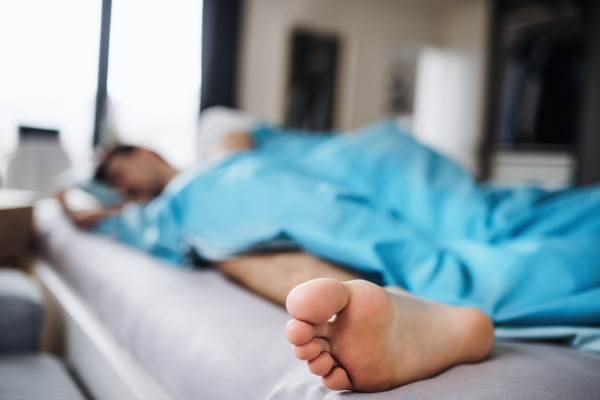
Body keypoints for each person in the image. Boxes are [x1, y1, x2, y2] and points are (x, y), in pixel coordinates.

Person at [61, 118, 600, 393]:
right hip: (350, 184)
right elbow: (88, 211)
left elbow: (239, 134)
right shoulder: (161, 212)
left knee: (498, 221)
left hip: (389, 172)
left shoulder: (214, 165)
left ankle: (441, 296)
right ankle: (420, 300)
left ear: (146, 151)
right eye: (113, 185)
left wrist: (225, 150)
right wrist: (105, 210)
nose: (123, 184)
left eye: (120, 170)